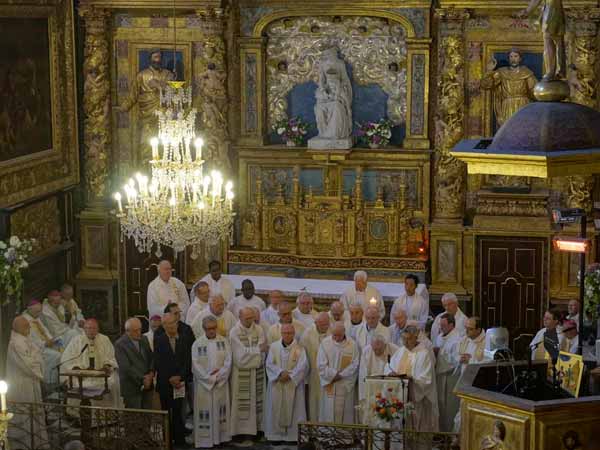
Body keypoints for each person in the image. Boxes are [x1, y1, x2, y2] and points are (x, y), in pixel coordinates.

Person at [121, 49, 174, 160]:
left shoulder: (168, 74)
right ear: (150, 59)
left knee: (166, 144)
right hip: (147, 114)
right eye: (155, 57)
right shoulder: (142, 75)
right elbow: (133, 94)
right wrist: (124, 107)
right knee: (146, 143)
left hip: (165, 114)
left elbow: (174, 92)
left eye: (159, 57)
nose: (158, 60)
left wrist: (159, 86)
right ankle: (145, 167)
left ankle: (165, 167)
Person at [386, 326, 439, 432]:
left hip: (416, 399)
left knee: (416, 427)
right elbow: (389, 366)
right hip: (400, 396)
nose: (405, 342)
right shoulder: (400, 351)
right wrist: (390, 373)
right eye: (403, 338)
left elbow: (426, 379)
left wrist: (412, 379)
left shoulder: (424, 354)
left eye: (408, 339)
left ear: (415, 337)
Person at [6, 316, 47, 450]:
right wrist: (37, 363)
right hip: (21, 384)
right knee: (23, 414)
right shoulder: (15, 343)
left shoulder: (26, 339)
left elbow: (39, 355)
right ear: (18, 327)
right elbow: (27, 364)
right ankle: (23, 445)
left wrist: (37, 360)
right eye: (26, 326)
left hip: (31, 381)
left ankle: (36, 443)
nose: (29, 328)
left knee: (34, 413)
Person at [191, 316, 233, 448]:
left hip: (220, 384)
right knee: (206, 411)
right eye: (209, 328)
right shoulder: (197, 344)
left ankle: (221, 438)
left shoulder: (224, 341)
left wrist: (218, 376)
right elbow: (195, 365)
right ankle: (205, 441)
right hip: (204, 386)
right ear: (204, 328)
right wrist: (210, 378)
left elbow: (228, 361)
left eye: (214, 328)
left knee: (220, 410)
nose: (212, 331)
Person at [60, 318, 121, 407]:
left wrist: (107, 365)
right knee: (77, 384)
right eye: (88, 328)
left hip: (101, 375)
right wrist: (76, 368)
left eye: (93, 328)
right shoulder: (76, 340)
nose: (91, 331)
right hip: (82, 377)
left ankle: (105, 412)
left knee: (114, 380)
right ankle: (78, 411)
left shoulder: (104, 339)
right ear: (84, 329)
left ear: (98, 329)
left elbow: (110, 356)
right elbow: (67, 358)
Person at [264, 323, 309, 442]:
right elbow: (269, 364)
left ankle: (292, 437)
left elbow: (303, 366)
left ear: (294, 333)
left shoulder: (300, 349)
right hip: (277, 382)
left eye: (290, 333)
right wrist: (279, 373)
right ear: (281, 333)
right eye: (285, 333)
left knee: (295, 410)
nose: (287, 335)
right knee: (275, 408)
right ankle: (275, 436)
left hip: (293, 384)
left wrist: (290, 376)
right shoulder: (274, 347)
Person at [154, 312, 192, 446]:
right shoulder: (159, 340)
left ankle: (180, 441)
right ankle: (168, 442)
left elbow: (187, 361)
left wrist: (179, 377)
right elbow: (159, 362)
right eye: (169, 324)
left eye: (174, 322)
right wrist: (170, 378)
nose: (173, 326)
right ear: (164, 325)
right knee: (166, 414)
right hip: (165, 383)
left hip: (180, 383)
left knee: (179, 413)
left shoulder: (184, 339)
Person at [229, 307, 267, 436]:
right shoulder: (234, 332)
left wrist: (250, 353)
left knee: (257, 402)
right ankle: (241, 432)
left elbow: (262, 354)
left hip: (257, 374)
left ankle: (257, 430)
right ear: (240, 317)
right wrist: (257, 350)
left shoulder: (259, 329)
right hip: (241, 375)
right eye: (247, 318)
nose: (250, 321)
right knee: (242, 403)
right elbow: (239, 358)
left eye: (252, 318)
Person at [480, 48, 537, 127]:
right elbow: (486, 85)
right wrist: (489, 71)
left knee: (523, 128)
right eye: (511, 56)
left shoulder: (526, 73)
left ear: (520, 58)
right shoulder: (501, 72)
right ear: (508, 58)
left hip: (523, 105)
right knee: (507, 128)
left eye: (516, 56)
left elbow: (534, 91)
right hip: (507, 106)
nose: (513, 59)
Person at [317, 321, 359, 424]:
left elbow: (355, 364)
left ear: (344, 332)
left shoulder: (352, 345)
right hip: (330, 383)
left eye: (339, 335)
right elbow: (321, 365)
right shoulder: (325, 343)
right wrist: (333, 375)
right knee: (328, 412)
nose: (336, 338)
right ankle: (329, 434)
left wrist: (341, 375)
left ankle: (344, 434)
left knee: (345, 414)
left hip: (345, 384)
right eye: (334, 335)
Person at [453, 317, 486, 433]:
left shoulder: (486, 342)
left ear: (479, 329)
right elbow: (455, 354)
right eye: (466, 328)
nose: (467, 331)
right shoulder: (465, 339)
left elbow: (489, 363)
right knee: (462, 411)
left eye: (470, 329)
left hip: (479, 385)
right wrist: (460, 358)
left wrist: (470, 361)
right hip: (465, 381)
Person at [519, 0, 566, 81]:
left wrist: (527, 11)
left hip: (552, 11)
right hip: (552, 10)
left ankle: (552, 71)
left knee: (550, 40)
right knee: (556, 42)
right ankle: (558, 71)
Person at [114, 317, 154, 409]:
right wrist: (143, 379)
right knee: (134, 416)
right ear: (127, 331)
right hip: (131, 388)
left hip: (148, 384)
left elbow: (151, 357)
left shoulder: (144, 339)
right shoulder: (120, 344)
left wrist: (150, 375)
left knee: (148, 414)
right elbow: (126, 367)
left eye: (140, 329)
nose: (139, 332)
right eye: (135, 331)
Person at [22, 299, 62, 384]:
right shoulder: (25, 321)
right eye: (37, 312)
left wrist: (51, 339)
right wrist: (45, 343)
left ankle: (60, 379)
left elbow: (45, 330)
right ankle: (49, 381)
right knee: (56, 356)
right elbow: (30, 339)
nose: (39, 314)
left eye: (40, 311)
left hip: (45, 344)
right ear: (30, 310)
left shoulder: (35, 317)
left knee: (62, 347)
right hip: (36, 348)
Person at [300, 312, 331, 421]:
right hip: (313, 375)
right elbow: (303, 358)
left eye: (326, 324)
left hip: (329, 375)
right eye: (322, 324)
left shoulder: (333, 332)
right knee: (314, 402)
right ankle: (315, 427)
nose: (325, 327)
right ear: (315, 323)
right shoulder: (307, 334)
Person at [434, 313, 462, 432]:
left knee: (449, 406)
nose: (441, 328)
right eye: (440, 325)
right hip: (440, 375)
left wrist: (440, 352)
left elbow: (456, 360)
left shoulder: (457, 339)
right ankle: (441, 432)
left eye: (443, 325)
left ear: (451, 325)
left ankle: (449, 434)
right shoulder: (440, 336)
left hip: (451, 376)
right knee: (440, 404)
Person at [358, 335, 398, 412]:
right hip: (372, 388)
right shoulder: (366, 351)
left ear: (385, 345)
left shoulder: (395, 350)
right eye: (375, 350)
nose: (377, 352)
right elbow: (363, 375)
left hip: (389, 387)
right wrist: (363, 395)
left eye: (380, 349)